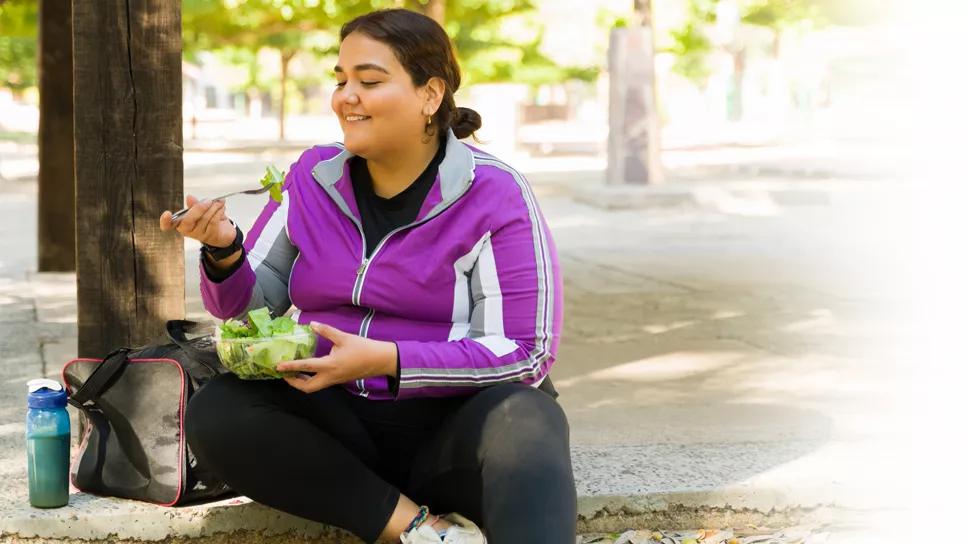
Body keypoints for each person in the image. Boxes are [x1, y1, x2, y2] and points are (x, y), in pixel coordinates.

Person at [160, 8, 575, 544]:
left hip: (449, 428)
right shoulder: (312, 177)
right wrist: (223, 251)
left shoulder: (494, 192)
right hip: (337, 430)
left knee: (529, 419)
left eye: (369, 81)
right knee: (218, 411)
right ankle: (420, 531)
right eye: (340, 80)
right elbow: (247, 310)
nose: (345, 96)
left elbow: (527, 349)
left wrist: (391, 360)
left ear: (430, 95)